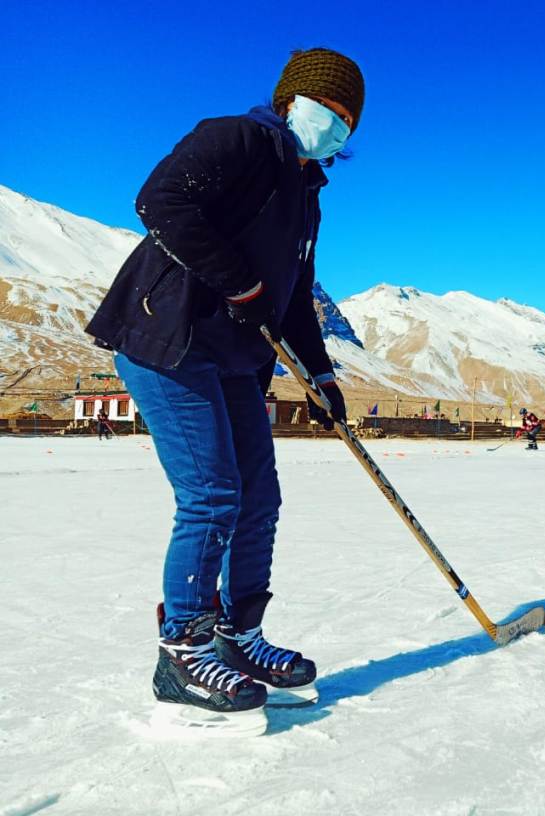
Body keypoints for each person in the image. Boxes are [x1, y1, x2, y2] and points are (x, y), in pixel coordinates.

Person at [85, 48, 365, 735]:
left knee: (258, 497)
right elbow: (161, 199)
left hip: (237, 359)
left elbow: (295, 296)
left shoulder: (305, 194)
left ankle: (238, 634)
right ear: (290, 98)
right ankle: (183, 649)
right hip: (169, 341)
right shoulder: (237, 139)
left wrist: (321, 375)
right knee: (212, 496)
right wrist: (237, 282)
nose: (334, 127)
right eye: (326, 109)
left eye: (347, 121)